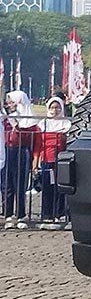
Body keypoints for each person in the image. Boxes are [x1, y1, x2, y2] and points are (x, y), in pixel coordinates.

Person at [3, 91, 40, 225]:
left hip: (22, 151)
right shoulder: (6, 118)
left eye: (12, 102)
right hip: (8, 150)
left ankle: (20, 214)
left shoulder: (29, 120)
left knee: (20, 184)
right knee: (7, 184)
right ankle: (7, 213)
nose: (10, 105)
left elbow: (30, 137)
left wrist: (17, 126)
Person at [37, 97, 71, 222]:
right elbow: (38, 143)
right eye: (52, 107)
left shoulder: (66, 123)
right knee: (47, 188)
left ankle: (60, 213)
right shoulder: (43, 124)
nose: (55, 110)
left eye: (57, 107)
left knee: (60, 187)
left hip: (61, 160)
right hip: (47, 159)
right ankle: (47, 214)